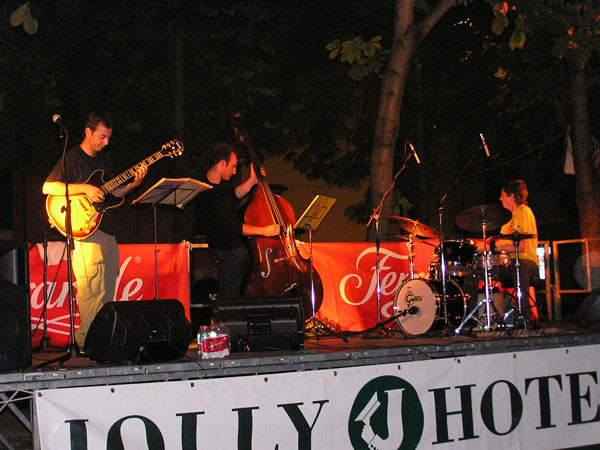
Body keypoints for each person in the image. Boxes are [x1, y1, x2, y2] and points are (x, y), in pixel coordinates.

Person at [42, 112, 147, 348]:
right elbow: (48, 187)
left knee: (106, 291)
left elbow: (113, 193)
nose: (106, 142)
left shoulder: (103, 162)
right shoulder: (72, 157)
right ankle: (88, 342)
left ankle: (101, 340)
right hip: (85, 232)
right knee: (91, 291)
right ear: (88, 132)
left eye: (108, 137)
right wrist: (85, 189)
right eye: (102, 137)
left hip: (106, 230)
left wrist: (134, 184)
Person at [197, 143, 280, 300]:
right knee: (229, 297)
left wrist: (252, 181)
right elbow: (233, 226)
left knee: (231, 294)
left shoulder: (217, 185)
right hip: (228, 251)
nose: (235, 172)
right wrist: (264, 231)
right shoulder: (209, 193)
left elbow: (232, 195)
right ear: (222, 163)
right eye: (233, 166)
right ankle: (226, 316)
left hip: (230, 250)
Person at [493, 179, 539, 325]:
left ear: (512, 196)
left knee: (520, 267)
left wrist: (494, 247)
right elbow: (501, 243)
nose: (500, 199)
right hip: (510, 263)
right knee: (479, 271)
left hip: (528, 262)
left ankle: (524, 318)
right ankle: (479, 317)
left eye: (502, 195)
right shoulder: (506, 219)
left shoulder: (524, 211)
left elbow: (522, 246)